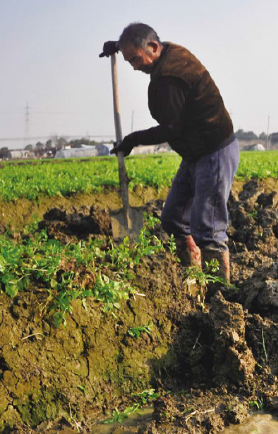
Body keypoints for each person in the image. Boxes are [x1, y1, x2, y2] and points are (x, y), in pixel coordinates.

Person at [99, 23, 238, 282]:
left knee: (207, 228)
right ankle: (193, 272)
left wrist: (132, 140)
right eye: (129, 60)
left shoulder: (169, 78)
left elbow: (171, 129)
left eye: (136, 59)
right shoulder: (165, 51)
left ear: (153, 47)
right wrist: (117, 47)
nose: (134, 66)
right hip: (195, 153)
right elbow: (136, 42)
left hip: (214, 151)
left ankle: (220, 294)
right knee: (173, 218)